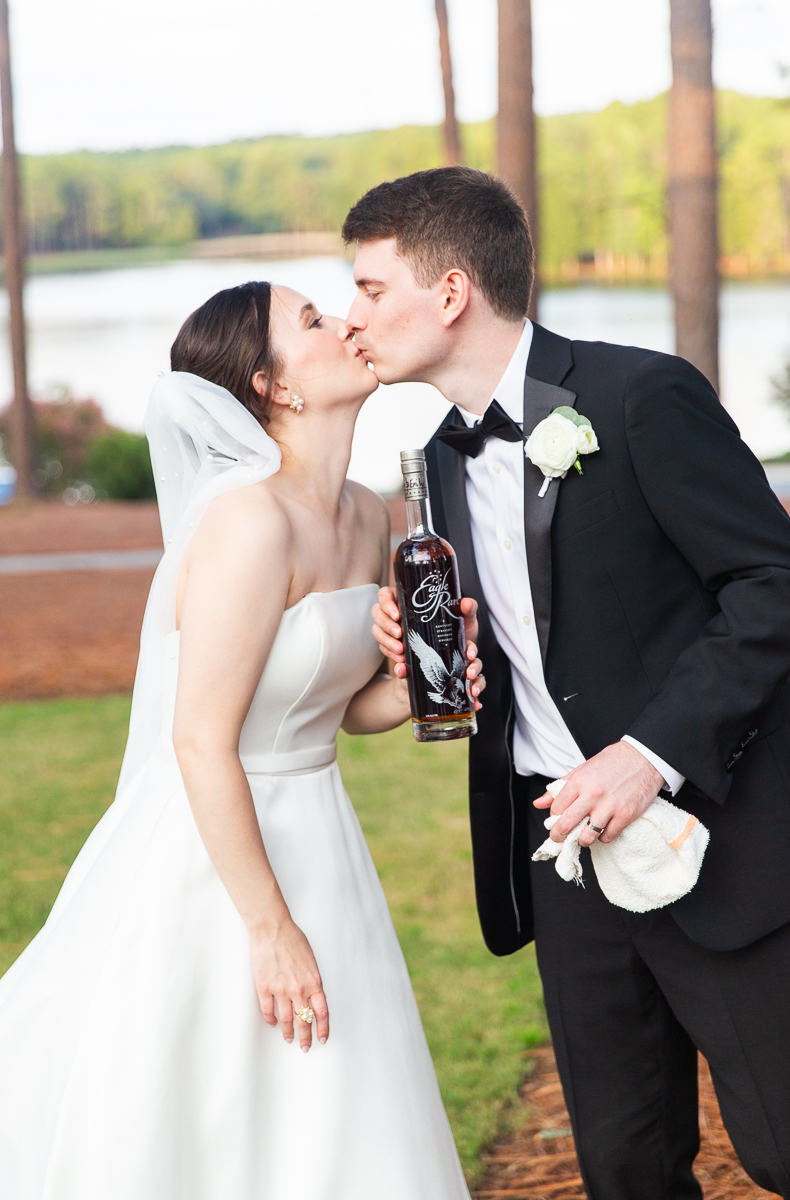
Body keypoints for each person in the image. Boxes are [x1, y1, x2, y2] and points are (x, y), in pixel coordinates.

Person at [360, 166, 790, 1200]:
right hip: (560, 859)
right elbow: (513, 652)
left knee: (787, 1147)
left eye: (370, 290)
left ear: (452, 290)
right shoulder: (431, 461)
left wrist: (646, 756)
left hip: (717, 834)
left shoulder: (639, 395)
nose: (352, 319)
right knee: (625, 1170)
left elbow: (772, 583)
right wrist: (423, 647)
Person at [0, 280, 485, 1200]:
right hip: (215, 857)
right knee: (213, 1113)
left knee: (336, 1107)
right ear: (274, 386)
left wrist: (432, 683)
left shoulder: (361, 514)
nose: (346, 320)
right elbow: (198, 740)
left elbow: (338, 709)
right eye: (312, 321)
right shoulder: (246, 523)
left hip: (322, 841)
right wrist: (268, 929)